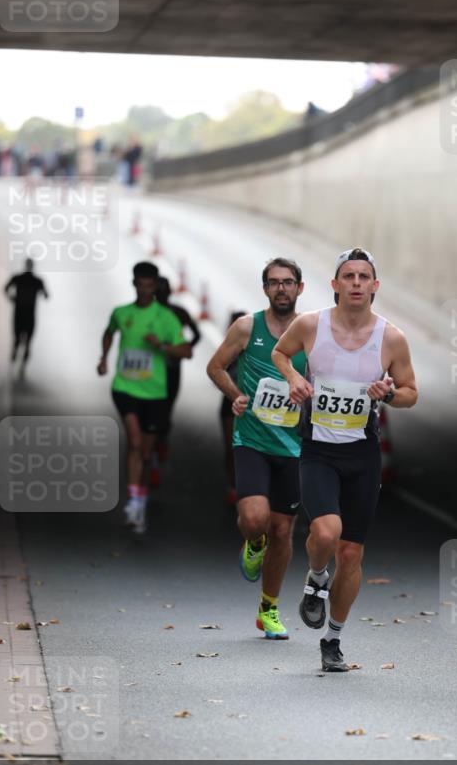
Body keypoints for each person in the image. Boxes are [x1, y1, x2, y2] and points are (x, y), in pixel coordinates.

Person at [271, 248, 418, 672]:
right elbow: (281, 353)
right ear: (335, 284)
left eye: (363, 277)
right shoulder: (310, 324)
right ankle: (317, 576)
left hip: (362, 454)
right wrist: (294, 378)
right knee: (326, 531)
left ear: (375, 286)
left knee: (351, 555)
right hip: (318, 449)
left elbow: (411, 393)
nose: (356, 283)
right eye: (348, 276)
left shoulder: (391, 338)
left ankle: (332, 640)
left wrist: (389, 393)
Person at [206, 259, 307, 640]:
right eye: (274, 282)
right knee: (255, 519)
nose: (281, 288)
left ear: (300, 288)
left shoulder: (312, 332)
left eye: (288, 282)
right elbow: (216, 366)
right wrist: (235, 395)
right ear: (265, 289)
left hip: (294, 447)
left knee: (283, 530)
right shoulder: (247, 327)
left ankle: (268, 609)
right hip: (251, 440)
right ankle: (254, 541)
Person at [97, 261, 194, 535]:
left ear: (154, 286)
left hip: (155, 393)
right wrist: (104, 358)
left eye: (149, 285)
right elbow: (109, 332)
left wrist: (161, 345)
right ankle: (132, 502)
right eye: (140, 284)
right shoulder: (121, 313)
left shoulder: (165, 317)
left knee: (146, 452)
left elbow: (186, 350)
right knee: (135, 442)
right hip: (124, 388)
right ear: (134, 284)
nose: (144, 290)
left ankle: (140, 500)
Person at [149, 276, 202, 485]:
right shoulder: (150, 313)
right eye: (158, 293)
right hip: (151, 372)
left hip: (171, 369)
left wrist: (182, 349)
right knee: (152, 412)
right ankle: (153, 452)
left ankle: (160, 443)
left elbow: (197, 334)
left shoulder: (179, 312)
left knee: (165, 410)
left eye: (163, 292)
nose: (161, 296)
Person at [219, 310, 248, 505]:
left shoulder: (257, 347)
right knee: (232, 447)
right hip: (229, 404)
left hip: (254, 407)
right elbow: (215, 371)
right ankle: (232, 486)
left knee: (250, 449)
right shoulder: (228, 348)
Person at [4, 258, 49, 375]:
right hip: (29, 315)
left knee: (17, 340)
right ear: (32, 266)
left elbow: (5, 289)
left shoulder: (18, 278)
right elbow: (46, 295)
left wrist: (12, 298)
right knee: (27, 342)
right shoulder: (37, 281)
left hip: (19, 314)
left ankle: (14, 365)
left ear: (25, 265)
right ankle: (21, 368)